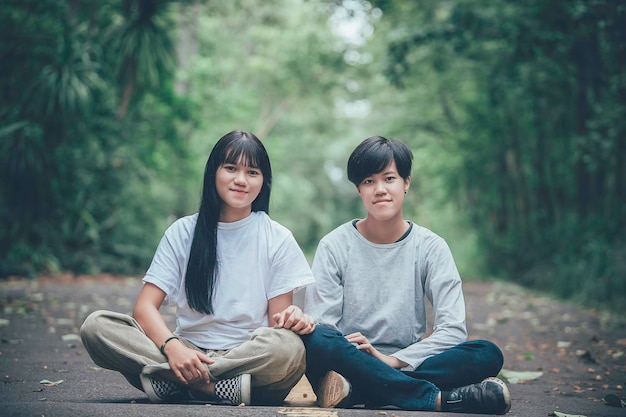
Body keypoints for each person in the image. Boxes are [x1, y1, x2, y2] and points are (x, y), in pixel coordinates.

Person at [80, 130, 316, 406]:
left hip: (245, 355)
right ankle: (216, 387)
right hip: (185, 351)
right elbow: (144, 308)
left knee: (289, 348)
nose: (241, 180)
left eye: (252, 172)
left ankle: (176, 382)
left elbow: (278, 324)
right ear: (213, 173)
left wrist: (293, 318)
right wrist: (173, 348)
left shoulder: (277, 237)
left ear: (263, 181)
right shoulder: (182, 232)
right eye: (230, 168)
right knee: (96, 326)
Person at [301, 136, 511, 414]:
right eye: (368, 182)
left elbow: (453, 329)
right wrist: (362, 357)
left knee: (486, 353)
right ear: (358, 190)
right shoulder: (334, 245)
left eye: (389, 178)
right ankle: (435, 398)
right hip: (347, 360)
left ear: (406, 183)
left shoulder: (430, 247)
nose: (380, 190)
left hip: (407, 361)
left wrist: (393, 361)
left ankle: (363, 391)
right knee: (316, 338)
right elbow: (325, 326)